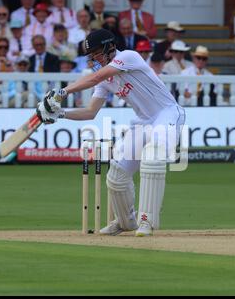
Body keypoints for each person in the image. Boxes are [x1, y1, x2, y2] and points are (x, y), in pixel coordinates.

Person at [35, 29, 186, 236]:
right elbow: (90, 112)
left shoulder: (128, 57)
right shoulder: (106, 80)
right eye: (91, 55)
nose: (94, 58)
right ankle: (126, 222)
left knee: (153, 157)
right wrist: (60, 114)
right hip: (144, 122)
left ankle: (147, 221)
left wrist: (63, 92)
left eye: (96, 53)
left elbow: (95, 77)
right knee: (117, 175)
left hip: (167, 114)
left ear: (109, 47)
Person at [28, 35, 60, 100]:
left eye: (41, 44)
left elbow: (55, 76)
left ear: (45, 45)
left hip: (49, 90)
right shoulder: (30, 60)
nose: (39, 47)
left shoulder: (54, 58)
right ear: (33, 46)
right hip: (34, 91)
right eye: (37, 45)